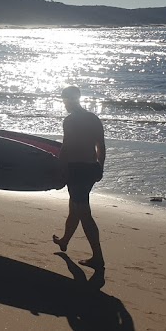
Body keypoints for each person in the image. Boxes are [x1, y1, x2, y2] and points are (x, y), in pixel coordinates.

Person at [52, 85, 106, 268]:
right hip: (91, 168)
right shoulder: (93, 118)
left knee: (84, 212)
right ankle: (64, 240)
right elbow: (101, 146)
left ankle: (98, 257)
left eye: (64, 100)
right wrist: (101, 167)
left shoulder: (70, 120)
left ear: (68, 100)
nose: (64, 104)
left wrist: (60, 168)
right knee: (74, 207)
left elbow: (66, 147)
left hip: (77, 170)